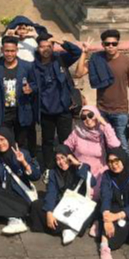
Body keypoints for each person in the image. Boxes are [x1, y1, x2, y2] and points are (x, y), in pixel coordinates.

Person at [32, 32, 84, 174]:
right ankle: (49, 168)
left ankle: (68, 168)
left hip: (63, 109)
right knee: (47, 141)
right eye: (42, 46)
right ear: (38, 48)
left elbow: (77, 52)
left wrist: (61, 41)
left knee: (65, 141)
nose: (46, 49)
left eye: (49, 46)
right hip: (45, 110)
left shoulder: (60, 60)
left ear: (53, 46)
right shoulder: (34, 66)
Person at [0, 127, 42, 236]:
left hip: (20, 194)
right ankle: (0, 210)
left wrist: (24, 163)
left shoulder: (22, 153)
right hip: (5, 191)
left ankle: (15, 219)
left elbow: (36, 176)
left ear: (9, 139)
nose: (0, 143)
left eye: (2, 139)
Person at [84, 29, 129, 154]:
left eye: (114, 43)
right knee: (103, 141)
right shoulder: (97, 59)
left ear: (118, 44)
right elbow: (78, 73)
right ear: (102, 45)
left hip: (121, 110)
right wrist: (84, 53)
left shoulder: (127, 61)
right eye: (107, 44)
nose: (111, 47)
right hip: (102, 109)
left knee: (121, 143)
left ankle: (126, 169)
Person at [28, 145, 94, 244]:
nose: (61, 162)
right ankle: (67, 228)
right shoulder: (53, 173)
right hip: (60, 203)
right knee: (36, 205)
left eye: (63, 158)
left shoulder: (80, 168)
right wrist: (49, 212)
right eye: (57, 159)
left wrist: (77, 164)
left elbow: (93, 182)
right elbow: (51, 192)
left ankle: (62, 228)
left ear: (69, 157)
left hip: (77, 205)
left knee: (90, 213)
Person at [0, 36, 37, 156]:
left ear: (17, 50)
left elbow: (35, 84)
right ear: (2, 50)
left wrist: (30, 89)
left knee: (21, 142)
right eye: (6, 51)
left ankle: (23, 165)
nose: (9, 54)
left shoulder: (27, 66)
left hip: (21, 109)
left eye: (12, 51)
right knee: (5, 140)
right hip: (4, 111)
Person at [98, 148, 129, 259]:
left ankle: (99, 225)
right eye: (110, 162)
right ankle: (103, 246)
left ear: (123, 159)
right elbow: (106, 196)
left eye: (117, 161)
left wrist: (116, 217)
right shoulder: (107, 175)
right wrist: (106, 218)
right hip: (115, 206)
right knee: (107, 225)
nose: (114, 165)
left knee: (115, 240)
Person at [63, 105, 120, 187]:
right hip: (79, 170)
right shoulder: (77, 132)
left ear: (97, 115)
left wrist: (104, 124)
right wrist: (70, 157)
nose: (88, 119)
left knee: (95, 194)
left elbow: (115, 145)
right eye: (83, 117)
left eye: (90, 115)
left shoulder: (104, 132)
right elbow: (65, 148)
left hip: (99, 172)